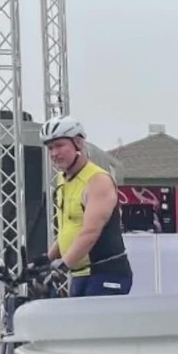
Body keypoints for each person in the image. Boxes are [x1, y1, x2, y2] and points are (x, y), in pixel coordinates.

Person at [35, 115, 132, 297]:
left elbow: (90, 232)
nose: (54, 153)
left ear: (78, 143)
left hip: (105, 272)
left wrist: (63, 266)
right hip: (80, 273)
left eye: (59, 145)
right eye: (50, 148)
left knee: (94, 326)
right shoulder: (63, 180)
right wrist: (46, 260)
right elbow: (69, 229)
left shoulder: (97, 180)